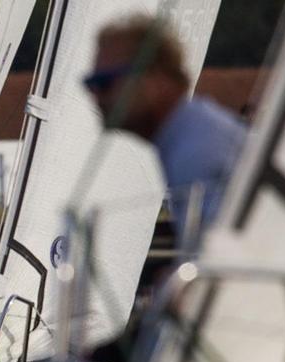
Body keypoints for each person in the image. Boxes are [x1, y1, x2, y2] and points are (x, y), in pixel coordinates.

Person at [85, 14, 246, 239]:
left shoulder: (197, 152)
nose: (96, 97)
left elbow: (227, 264)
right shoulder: (192, 131)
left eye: (104, 83)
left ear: (155, 79)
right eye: (89, 85)